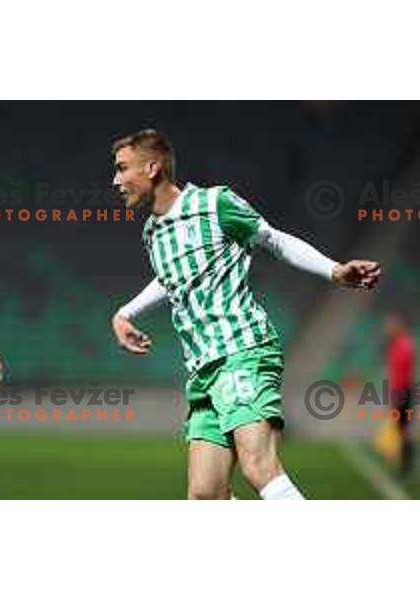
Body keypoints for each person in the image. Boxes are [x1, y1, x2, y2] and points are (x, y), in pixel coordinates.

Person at [110, 129, 381, 500]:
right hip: (203, 370)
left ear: (153, 167)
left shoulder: (214, 204)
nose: (116, 180)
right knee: (205, 496)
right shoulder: (152, 232)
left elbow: (273, 239)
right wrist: (125, 312)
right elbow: (170, 277)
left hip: (242, 350)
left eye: (123, 168)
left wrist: (335, 270)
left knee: (259, 467)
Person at [385, 313, 416, 477]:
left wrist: (398, 394)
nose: (389, 328)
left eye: (392, 325)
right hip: (400, 391)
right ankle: (405, 463)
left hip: (403, 392)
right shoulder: (397, 345)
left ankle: (407, 464)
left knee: (403, 429)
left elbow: (404, 373)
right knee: (401, 429)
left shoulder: (404, 345)